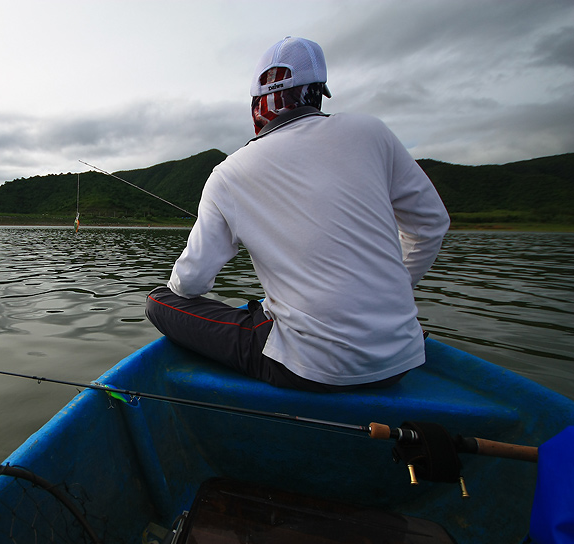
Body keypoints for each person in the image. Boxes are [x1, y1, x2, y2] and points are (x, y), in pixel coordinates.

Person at [146, 36, 450, 392]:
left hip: (308, 368)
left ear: (257, 103)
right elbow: (431, 223)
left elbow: (190, 283)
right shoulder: (372, 132)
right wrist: (394, 289)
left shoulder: (228, 173)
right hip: (402, 357)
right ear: (317, 92)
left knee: (157, 301)